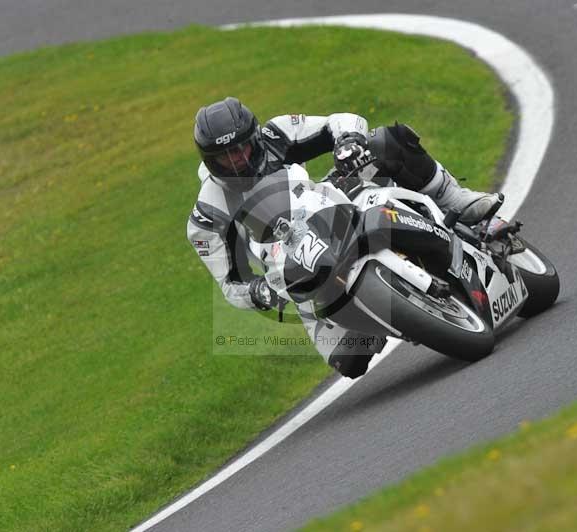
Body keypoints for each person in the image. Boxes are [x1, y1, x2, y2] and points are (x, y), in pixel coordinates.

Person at [187, 97, 503, 378]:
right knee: (349, 360)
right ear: (210, 160)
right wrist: (257, 292)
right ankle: (386, 311)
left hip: (333, 205)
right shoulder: (207, 214)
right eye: (226, 156)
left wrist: (347, 141)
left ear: (253, 136)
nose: (238, 159)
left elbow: (341, 121)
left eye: (240, 148)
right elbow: (229, 284)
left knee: (385, 141)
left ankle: (458, 200)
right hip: (297, 274)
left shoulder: (276, 134)